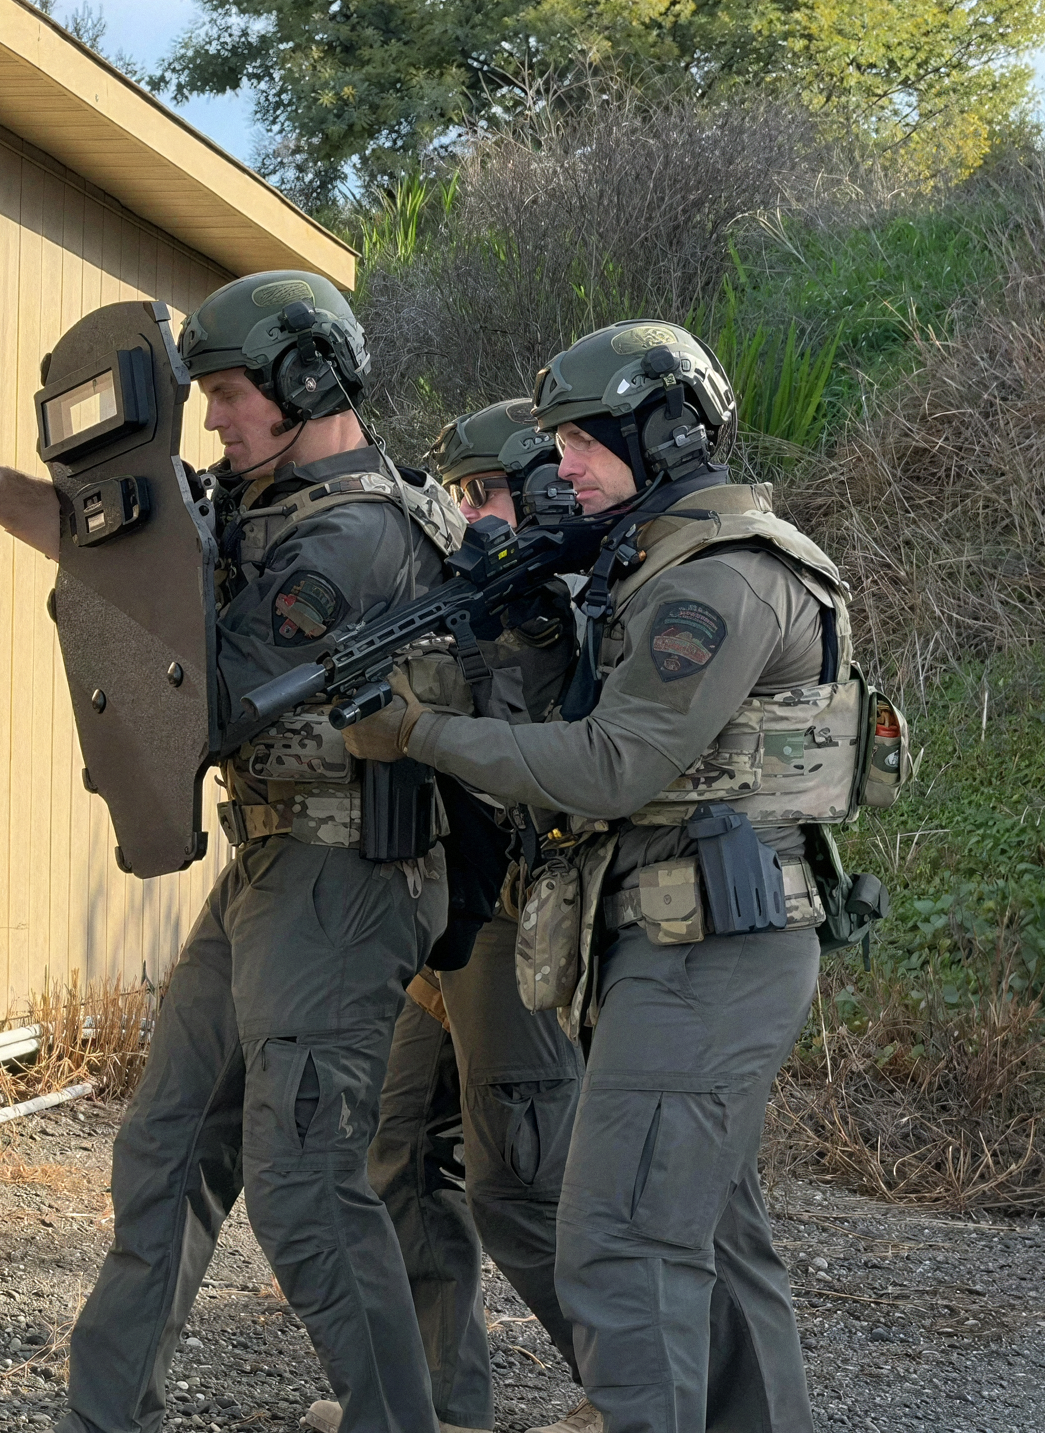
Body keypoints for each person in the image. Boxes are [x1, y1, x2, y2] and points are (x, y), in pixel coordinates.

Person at [0, 271, 467, 1433]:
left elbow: (214, 691)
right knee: (164, 1148)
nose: (209, 420)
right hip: (270, 863)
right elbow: (124, 544)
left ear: (309, 379)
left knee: (305, 1183)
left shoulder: (357, 534)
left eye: (226, 395)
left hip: (347, 873)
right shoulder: (262, 498)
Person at [348, 320, 859, 1433]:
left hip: (704, 950)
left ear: (668, 434)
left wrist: (416, 731)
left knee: (621, 1242)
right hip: (682, 942)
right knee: (715, 1240)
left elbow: (609, 765)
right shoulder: (650, 570)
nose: (560, 469)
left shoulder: (719, 579)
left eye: (580, 443)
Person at [339, 400, 587, 1433]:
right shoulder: (464, 593)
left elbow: (550, 744)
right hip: (446, 912)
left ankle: (644, 1391)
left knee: (521, 1186)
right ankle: (441, 1396)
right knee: (394, 1147)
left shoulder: (566, 609)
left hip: (520, 917)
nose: (467, 517)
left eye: (483, 495)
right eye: (460, 497)